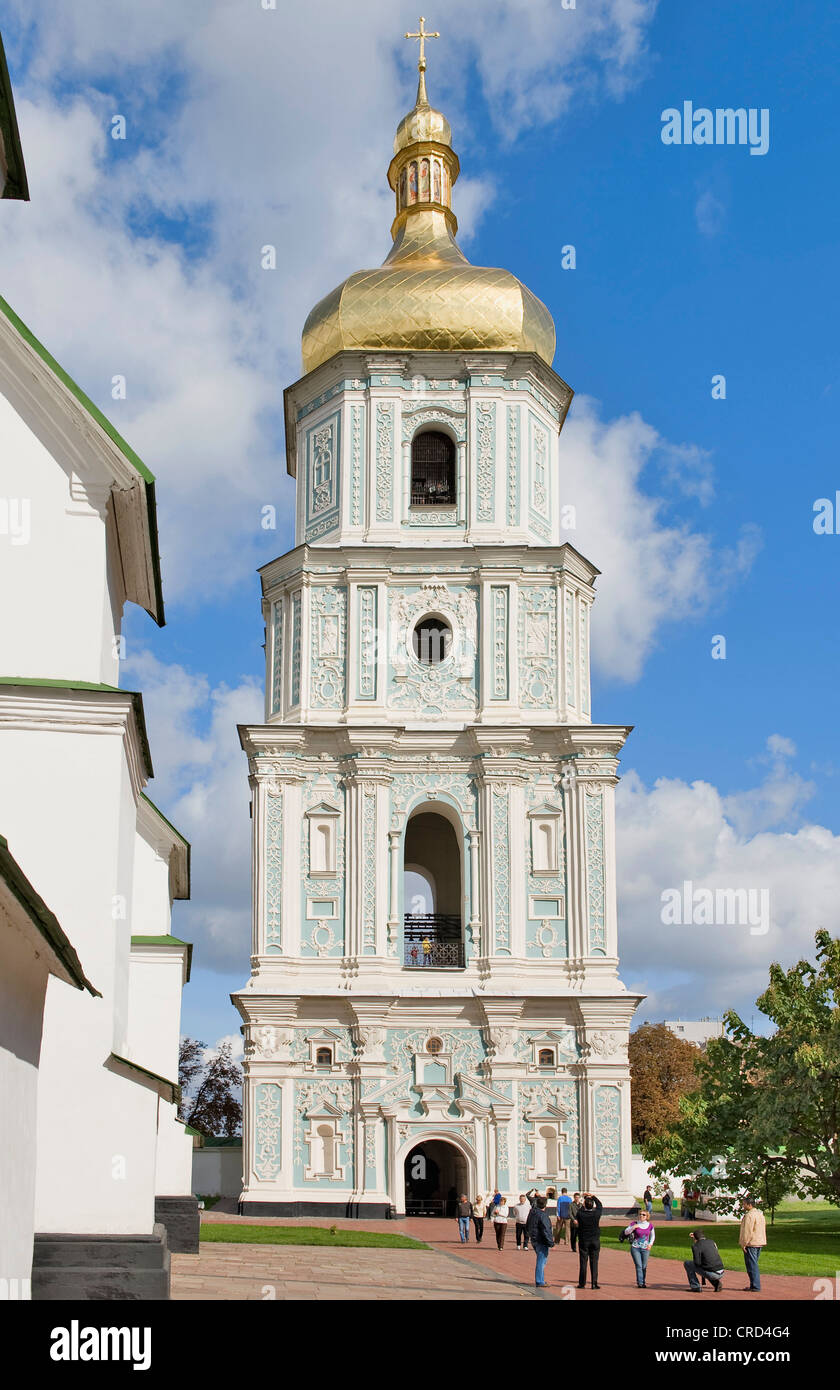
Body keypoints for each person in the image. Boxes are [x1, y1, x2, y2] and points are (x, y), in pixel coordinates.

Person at [573, 1191, 603, 1289]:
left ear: (584, 1205)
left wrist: (585, 1199)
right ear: (593, 1205)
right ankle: (594, 1283)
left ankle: (582, 1283)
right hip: (595, 1240)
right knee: (594, 1262)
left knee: (583, 1262)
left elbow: (580, 1209)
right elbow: (600, 1205)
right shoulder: (596, 1214)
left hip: (584, 1240)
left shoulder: (581, 1214)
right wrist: (592, 1196)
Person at [622, 1207, 655, 1288]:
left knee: (644, 1266)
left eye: (643, 1215)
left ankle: (643, 1281)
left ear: (647, 1216)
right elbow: (626, 1232)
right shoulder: (634, 1223)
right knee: (639, 1265)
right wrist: (633, 1227)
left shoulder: (650, 1225)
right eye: (640, 1214)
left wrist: (650, 1244)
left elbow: (653, 1236)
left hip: (645, 1248)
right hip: (635, 1247)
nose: (641, 1216)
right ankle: (640, 1283)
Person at [526, 1193, 555, 1287]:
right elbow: (546, 1230)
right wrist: (551, 1242)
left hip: (534, 1238)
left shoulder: (532, 1212)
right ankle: (539, 1280)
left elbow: (528, 1224)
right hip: (541, 1240)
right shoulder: (543, 1215)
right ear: (545, 1205)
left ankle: (541, 1279)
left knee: (541, 1260)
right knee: (541, 1261)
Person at [739, 1195, 767, 1292]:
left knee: (751, 1265)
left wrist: (744, 1243)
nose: (743, 1206)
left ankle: (755, 1285)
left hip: (751, 1243)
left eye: (744, 1204)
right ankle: (753, 1284)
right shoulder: (760, 1214)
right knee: (753, 1263)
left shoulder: (749, 1216)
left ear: (749, 1204)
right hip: (759, 1241)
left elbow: (747, 1231)